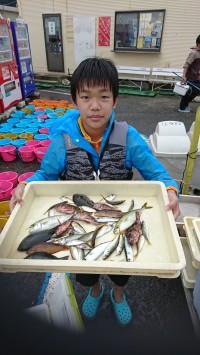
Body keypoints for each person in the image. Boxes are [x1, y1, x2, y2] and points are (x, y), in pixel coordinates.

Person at [10, 57, 180, 327]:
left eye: (103, 96)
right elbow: (46, 174)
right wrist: (24, 185)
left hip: (117, 217)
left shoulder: (129, 137)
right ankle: (95, 289)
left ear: (115, 100)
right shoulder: (63, 139)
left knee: (123, 266)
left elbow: (157, 174)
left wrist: (171, 190)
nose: (95, 105)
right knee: (85, 268)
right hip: (79, 219)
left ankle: (118, 292)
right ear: (75, 100)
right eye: (86, 96)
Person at [179, 34, 200, 113]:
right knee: (188, 92)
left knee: (197, 91)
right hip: (190, 77)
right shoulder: (193, 53)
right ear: (198, 44)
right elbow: (186, 65)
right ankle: (182, 107)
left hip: (196, 77)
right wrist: (184, 76)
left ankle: (185, 105)